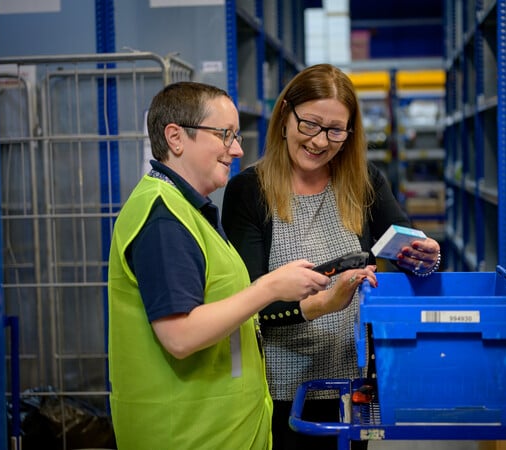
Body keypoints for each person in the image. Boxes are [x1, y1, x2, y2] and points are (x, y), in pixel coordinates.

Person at [107, 81, 342, 449]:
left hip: (215, 431)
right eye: (224, 135)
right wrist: (270, 288)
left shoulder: (190, 210)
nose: (237, 149)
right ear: (176, 137)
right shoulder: (163, 219)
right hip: (185, 435)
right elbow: (179, 336)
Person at [222, 64, 441, 449]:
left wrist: (426, 256)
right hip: (278, 392)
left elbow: (407, 250)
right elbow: (247, 307)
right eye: (310, 124)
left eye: (336, 130)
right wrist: (321, 304)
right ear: (285, 115)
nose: (321, 141)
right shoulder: (248, 192)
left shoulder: (365, 182)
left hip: (351, 383)